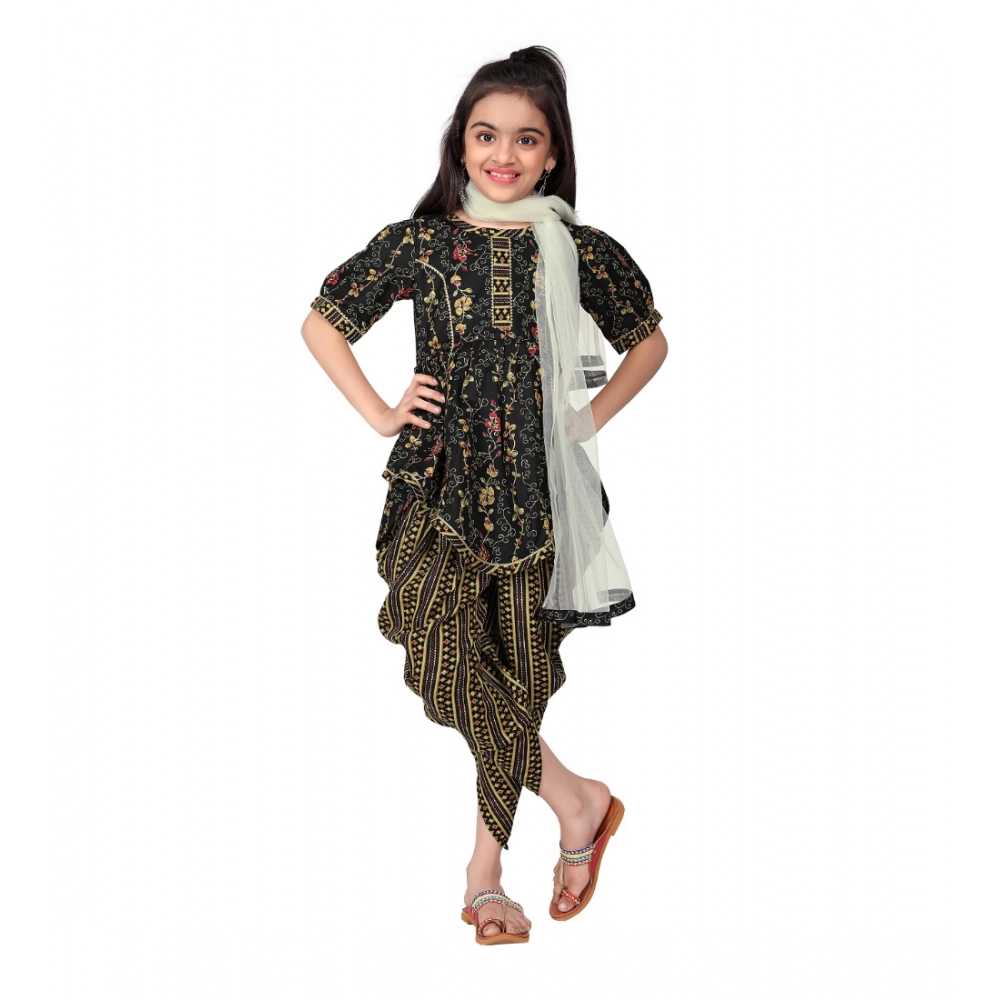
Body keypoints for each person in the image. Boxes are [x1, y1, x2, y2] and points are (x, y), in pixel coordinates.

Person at [301, 46, 668, 945]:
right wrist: (381, 413)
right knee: (439, 658)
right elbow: (323, 322)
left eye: (526, 139)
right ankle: (577, 802)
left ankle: (485, 875)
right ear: (461, 145)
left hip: (540, 497)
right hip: (438, 482)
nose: (505, 154)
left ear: (552, 154)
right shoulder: (421, 243)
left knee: (514, 673)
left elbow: (650, 342)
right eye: (486, 134)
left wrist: (587, 420)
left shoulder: (578, 248)